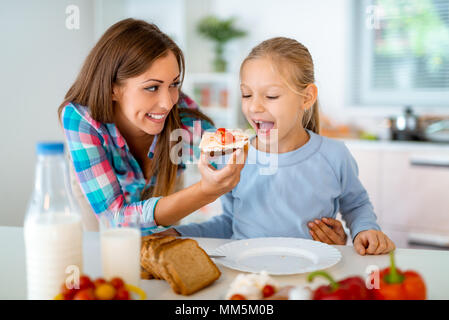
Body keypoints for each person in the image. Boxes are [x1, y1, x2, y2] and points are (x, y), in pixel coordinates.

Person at [166, 37, 395, 255]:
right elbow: (229, 223)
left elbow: (356, 205)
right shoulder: (233, 159)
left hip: (312, 274)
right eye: (246, 95)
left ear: (306, 98)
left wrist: (365, 230)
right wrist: (178, 233)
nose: (254, 107)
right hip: (249, 276)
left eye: (271, 96)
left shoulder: (334, 156)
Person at [58, 18, 246, 235]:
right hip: (103, 199)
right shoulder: (81, 118)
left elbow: (221, 145)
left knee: (161, 251)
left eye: (174, 84)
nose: (168, 103)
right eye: (152, 87)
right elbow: (115, 218)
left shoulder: (181, 112)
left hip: (160, 187)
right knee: (104, 255)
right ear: (112, 89)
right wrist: (204, 192)